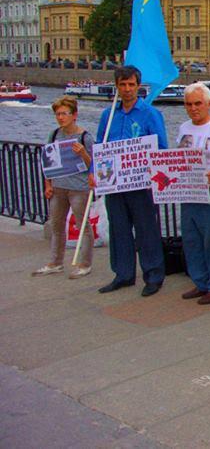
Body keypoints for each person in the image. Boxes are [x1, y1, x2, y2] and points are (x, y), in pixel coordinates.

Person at [92, 66, 168, 297]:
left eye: (131, 85)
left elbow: (161, 148)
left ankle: (153, 275)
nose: (127, 89)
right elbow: (99, 146)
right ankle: (123, 274)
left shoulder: (150, 114)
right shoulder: (108, 115)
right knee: (119, 229)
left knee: (147, 230)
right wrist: (92, 171)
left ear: (138, 86)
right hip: (115, 183)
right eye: (122, 85)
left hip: (140, 183)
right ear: (117, 86)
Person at [177, 83, 210, 305]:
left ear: (208, 104)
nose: (193, 108)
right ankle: (200, 282)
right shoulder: (183, 128)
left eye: (198, 103)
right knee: (192, 239)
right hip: (189, 190)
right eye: (189, 104)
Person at [33, 95, 95, 279]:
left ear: (74, 115)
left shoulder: (85, 137)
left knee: (82, 225)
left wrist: (83, 153)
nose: (60, 117)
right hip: (58, 187)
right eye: (58, 114)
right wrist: (48, 185)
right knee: (56, 225)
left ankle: (85, 264)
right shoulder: (54, 135)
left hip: (78, 187)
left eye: (64, 114)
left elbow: (95, 164)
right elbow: (47, 163)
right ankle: (55, 262)